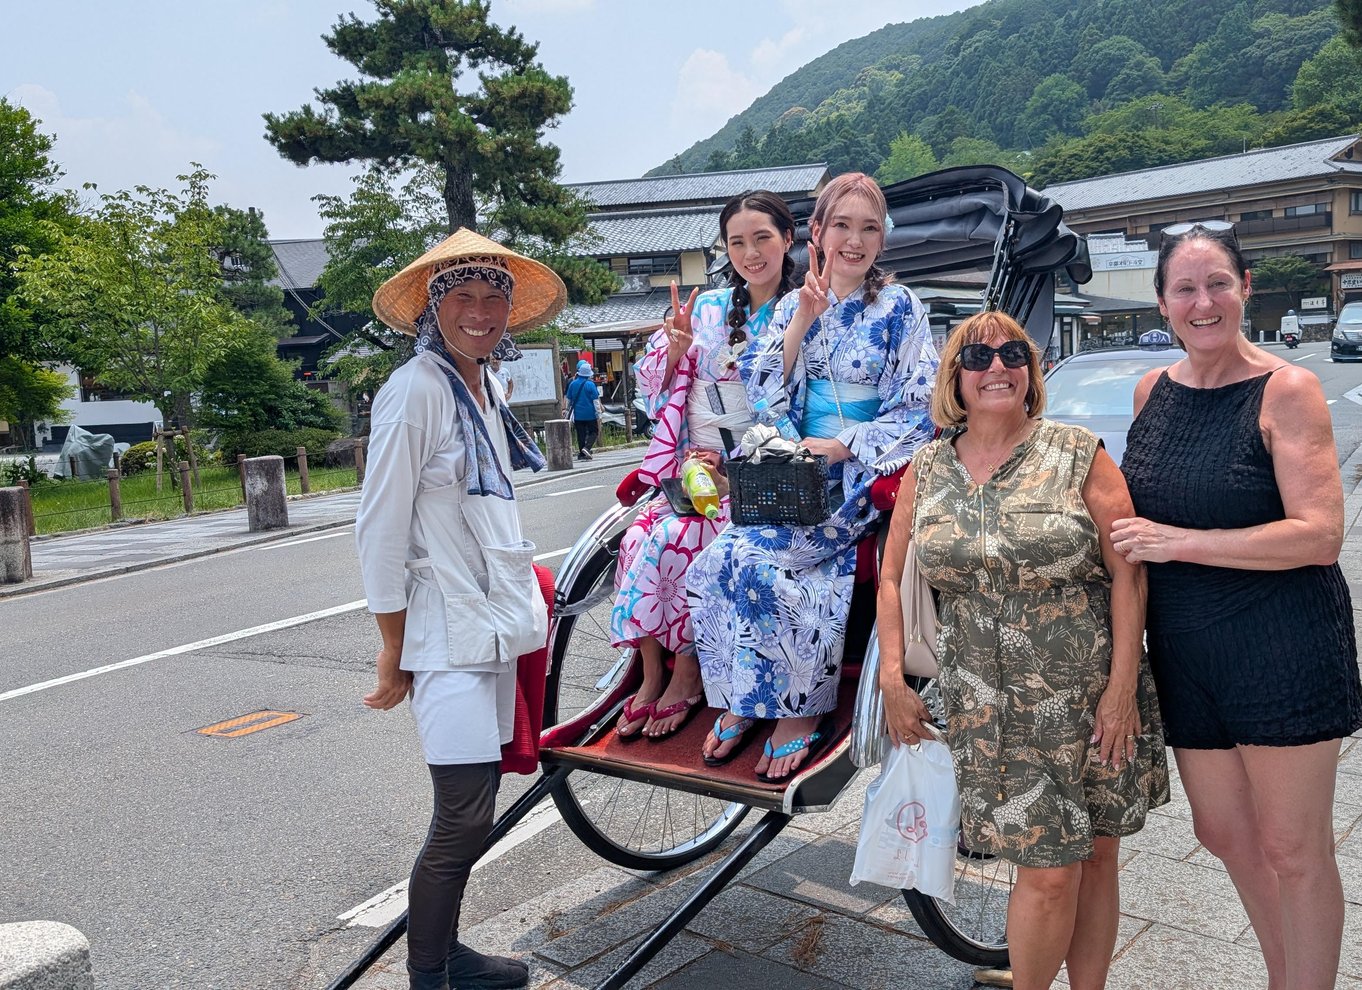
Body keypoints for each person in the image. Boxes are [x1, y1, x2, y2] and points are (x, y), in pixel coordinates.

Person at [877, 310, 1169, 990]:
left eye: (1013, 354)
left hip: (1085, 696)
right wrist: (893, 677)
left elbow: (1128, 569)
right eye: (977, 358)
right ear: (956, 378)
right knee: (1047, 868)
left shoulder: (1075, 451)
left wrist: (1122, 688)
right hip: (984, 702)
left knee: (1092, 858)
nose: (997, 367)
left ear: (1032, 373)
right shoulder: (926, 467)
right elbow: (893, 575)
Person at [1117, 220, 1362, 990]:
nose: (1203, 301)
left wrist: (1179, 542)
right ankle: (1284, 972)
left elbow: (1319, 535)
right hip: (1187, 648)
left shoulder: (1287, 388)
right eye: (1184, 288)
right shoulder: (1150, 390)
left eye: (1218, 282)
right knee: (1222, 833)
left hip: (1281, 644)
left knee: (1295, 849)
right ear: (1162, 304)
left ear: (1245, 288)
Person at [355, 228, 567, 990]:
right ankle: (428, 975)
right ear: (432, 309)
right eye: (463, 297)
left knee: (477, 810)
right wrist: (392, 643)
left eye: (493, 297)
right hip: (443, 626)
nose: (480, 312)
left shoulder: (482, 386)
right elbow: (378, 524)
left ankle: (448, 955)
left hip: (492, 618)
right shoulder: (416, 390)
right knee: (462, 816)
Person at [687, 172, 939, 780]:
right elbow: (765, 398)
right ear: (818, 234)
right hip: (795, 471)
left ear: (883, 239)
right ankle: (749, 697)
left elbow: (920, 405)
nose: (854, 241)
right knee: (720, 561)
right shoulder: (795, 303)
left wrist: (845, 444)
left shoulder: (898, 307)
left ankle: (798, 711)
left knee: (787, 567)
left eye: (869, 228)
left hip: (858, 475)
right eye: (842, 226)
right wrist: (801, 320)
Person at [609, 191, 799, 740]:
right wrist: (673, 349)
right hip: (695, 464)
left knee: (682, 539)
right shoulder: (711, 307)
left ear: (788, 239)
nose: (750, 252)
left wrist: (734, 467)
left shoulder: (805, 307)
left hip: (758, 472)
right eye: (737, 242)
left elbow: (801, 402)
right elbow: (658, 387)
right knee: (638, 536)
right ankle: (649, 672)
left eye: (762, 238)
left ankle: (688, 670)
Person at [563, 359, 601, 460]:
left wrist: (566, 411)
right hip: (590, 414)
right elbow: (596, 401)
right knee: (594, 431)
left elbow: (568, 400)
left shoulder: (573, 384)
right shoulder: (590, 385)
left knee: (581, 434)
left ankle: (581, 454)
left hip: (578, 415)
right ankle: (587, 448)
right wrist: (599, 414)